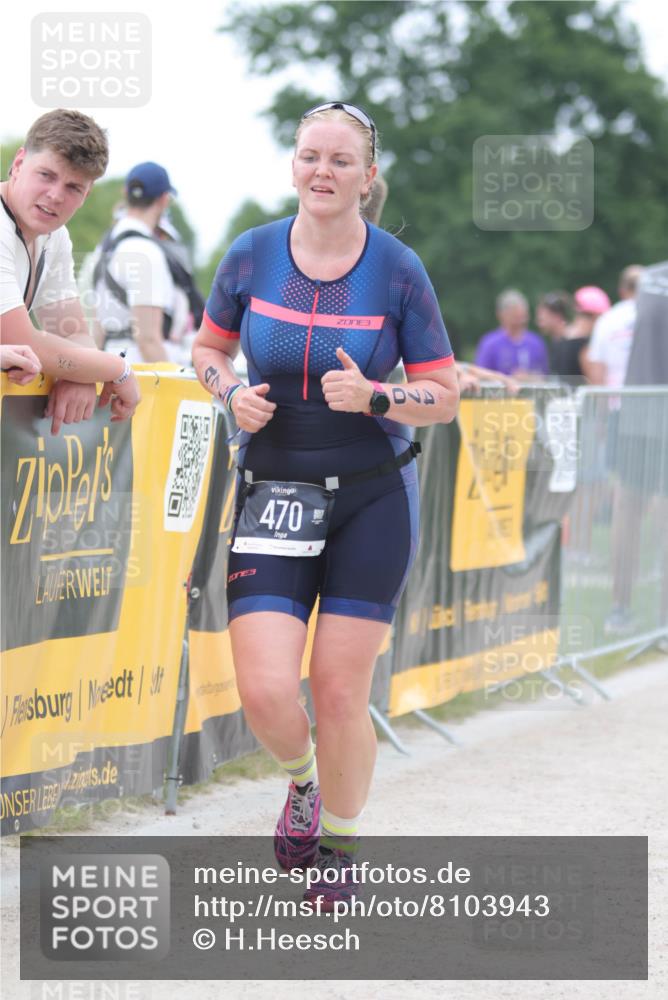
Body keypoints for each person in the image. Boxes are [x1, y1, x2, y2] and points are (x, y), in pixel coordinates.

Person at [192, 101, 459, 908]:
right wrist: (228, 390)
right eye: (311, 156)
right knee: (268, 691)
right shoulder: (251, 254)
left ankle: (339, 843)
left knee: (340, 690)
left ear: (367, 177)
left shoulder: (399, 268)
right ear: (294, 166)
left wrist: (378, 397)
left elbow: (442, 395)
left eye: (342, 161)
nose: (323, 172)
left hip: (372, 497)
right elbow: (207, 349)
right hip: (274, 489)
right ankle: (302, 785)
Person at [0, 110, 140, 430]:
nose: (55, 196)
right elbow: (24, 342)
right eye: (46, 175)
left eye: (73, 187)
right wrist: (115, 369)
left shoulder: (55, 236)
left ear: (86, 195)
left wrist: (81, 374)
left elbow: (72, 332)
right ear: (19, 164)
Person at [92, 162, 202, 366]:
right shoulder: (147, 252)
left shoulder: (104, 248)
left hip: (110, 364)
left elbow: (96, 327)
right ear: (164, 199)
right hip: (142, 374)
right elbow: (148, 340)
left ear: (125, 193)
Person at [586, 266, 644, 388]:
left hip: (615, 398)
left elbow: (597, 366)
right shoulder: (660, 317)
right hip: (655, 400)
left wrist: (601, 405)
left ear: (622, 290)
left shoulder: (607, 319)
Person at [475, 289, 549, 380]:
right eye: (514, 316)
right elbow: (480, 375)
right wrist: (508, 379)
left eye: (522, 317)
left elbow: (546, 375)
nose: (519, 321)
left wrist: (529, 377)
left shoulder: (536, 343)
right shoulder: (490, 344)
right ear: (501, 315)